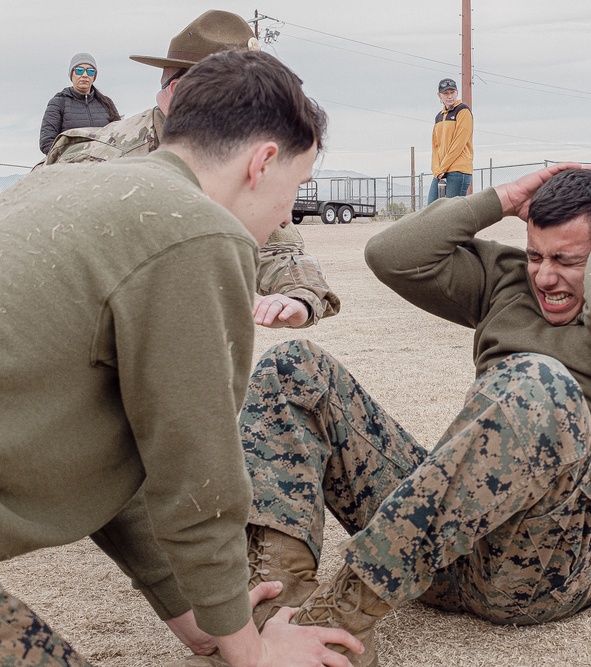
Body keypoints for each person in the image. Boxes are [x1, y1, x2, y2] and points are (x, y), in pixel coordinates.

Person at [212, 165, 591, 666]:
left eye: (568, 260)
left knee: (540, 380)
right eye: (536, 255)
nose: (545, 276)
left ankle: (337, 621)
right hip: (443, 542)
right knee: (294, 367)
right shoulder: (507, 283)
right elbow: (391, 256)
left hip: (544, 565)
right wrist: (505, 198)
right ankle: (275, 621)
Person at [0, 49, 367, 667]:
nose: (286, 215)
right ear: (264, 162)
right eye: (296, 190)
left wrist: (204, 621)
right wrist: (252, 653)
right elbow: (197, 478)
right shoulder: (197, 232)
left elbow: (118, 449)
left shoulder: (61, 183)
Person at [43, 10, 338, 329]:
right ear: (181, 90)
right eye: (244, 96)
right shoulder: (97, 158)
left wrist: (299, 297)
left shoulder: (236, 155)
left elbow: (279, 243)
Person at [38, 53, 122, 155]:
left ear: (94, 76)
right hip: (70, 165)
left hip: (104, 163)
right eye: (79, 70)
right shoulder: (59, 102)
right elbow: (46, 141)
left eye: (90, 71)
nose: (85, 75)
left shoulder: (106, 103)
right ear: (71, 74)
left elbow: (119, 134)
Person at [427, 77, 474, 205]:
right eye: (445, 93)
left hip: (458, 169)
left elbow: (459, 143)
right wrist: (436, 169)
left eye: (452, 92)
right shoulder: (439, 117)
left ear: (457, 93)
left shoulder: (463, 111)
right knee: (431, 208)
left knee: (452, 213)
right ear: (439, 95)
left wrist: (443, 166)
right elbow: (435, 146)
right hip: (442, 171)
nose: (449, 96)